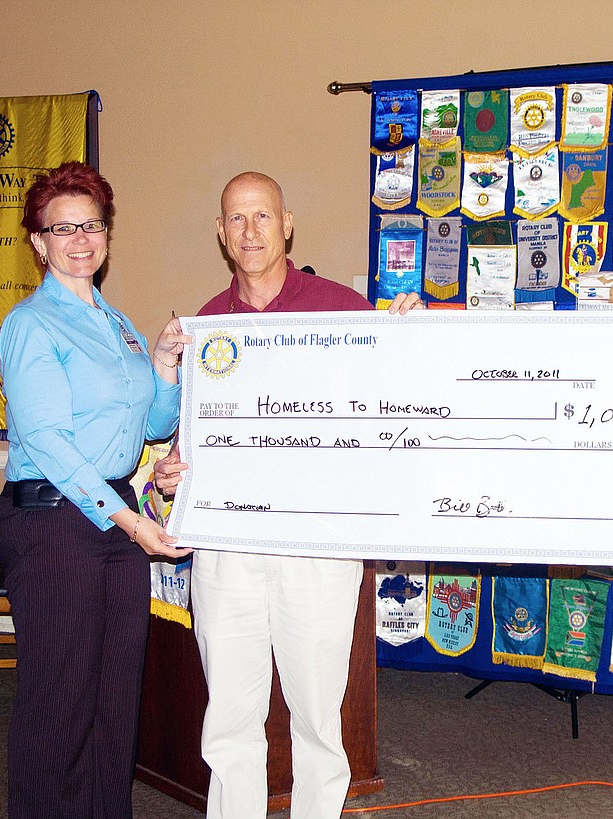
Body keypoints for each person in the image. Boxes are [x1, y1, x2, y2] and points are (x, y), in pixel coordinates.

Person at [153, 171, 422, 819]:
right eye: (236, 219)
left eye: (262, 217)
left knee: (318, 718)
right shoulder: (205, 326)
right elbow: (187, 435)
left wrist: (413, 340)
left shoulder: (344, 310)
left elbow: (398, 402)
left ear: (288, 223)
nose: (250, 231)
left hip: (317, 549)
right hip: (227, 552)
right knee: (230, 720)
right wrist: (174, 466)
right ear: (221, 233)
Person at [0, 161, 190, 819]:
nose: (80, 238)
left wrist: (161, 363)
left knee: (113, 696)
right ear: (38, 242)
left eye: (91, 224)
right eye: (62, 227)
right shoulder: (31, 324)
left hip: (110, 512)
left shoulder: (118, 323)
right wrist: (130, 523)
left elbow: (154, 424)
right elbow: (47, 440)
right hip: (53, 519)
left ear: (106, 233)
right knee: (61, 696)